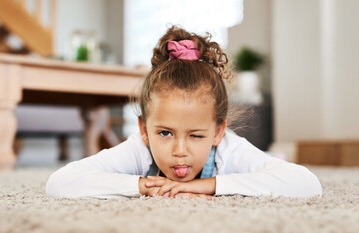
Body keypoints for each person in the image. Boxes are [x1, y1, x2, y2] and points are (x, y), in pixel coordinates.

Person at [46, 26, 322, 199]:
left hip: (243, 159)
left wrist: (207, 186)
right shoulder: (139, 149)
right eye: (165, 133)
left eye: (196, 135)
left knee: (269, 165)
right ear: (143, 130)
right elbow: (60, 183)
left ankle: (274, 158)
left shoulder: (229, 149)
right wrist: (144, 186)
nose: (179, 150)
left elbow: (307, 184)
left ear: (217, 132)